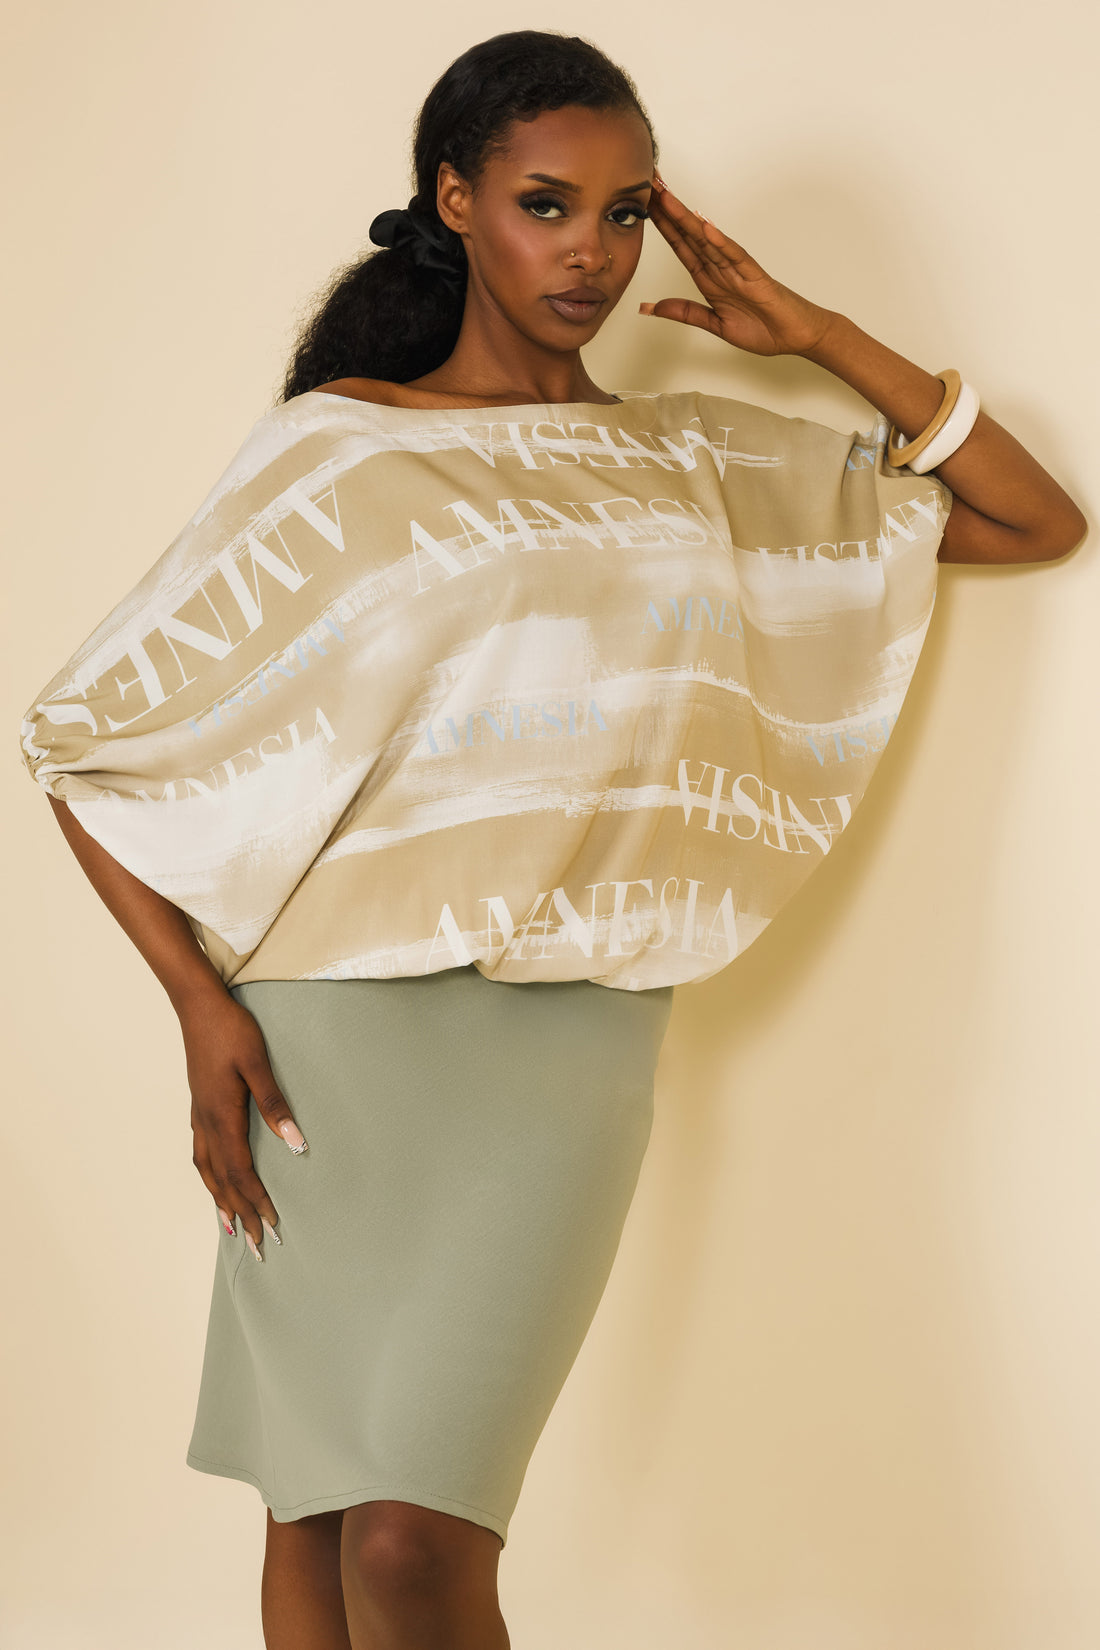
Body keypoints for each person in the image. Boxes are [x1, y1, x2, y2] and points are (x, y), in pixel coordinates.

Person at [17, 26, 1085, 1650]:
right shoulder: (341, 445)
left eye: (624, 211)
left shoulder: (691, 459)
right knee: (316, 1506)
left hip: (566, 1042)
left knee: (411, 1542)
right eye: (546, 204)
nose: (591, 251)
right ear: (454, 200)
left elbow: (1033, 516)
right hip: (327, 1039)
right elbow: (85, 739)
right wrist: (194, 1002)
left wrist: (811, 334)